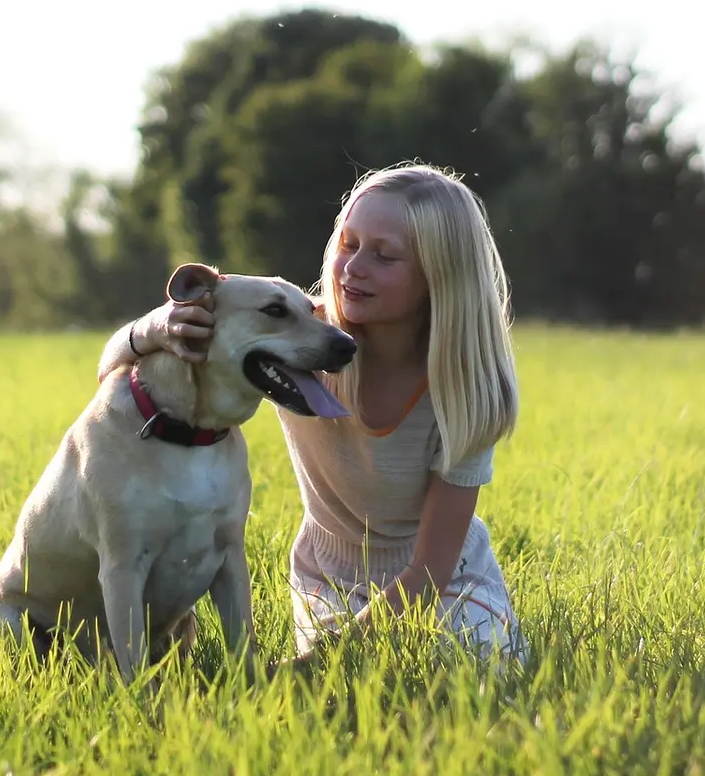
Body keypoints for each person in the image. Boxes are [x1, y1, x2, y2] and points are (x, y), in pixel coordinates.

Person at [96, 163, 525, 663]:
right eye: (348, 244)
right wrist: (155, 328)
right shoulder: (295, 336)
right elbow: (112, 369)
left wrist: (308, 665)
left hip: (446, 580)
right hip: (330, 578)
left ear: (437, 276)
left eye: (384, 256)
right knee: (353, 681)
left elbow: (430, 571)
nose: (353, 267)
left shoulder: (466, 387)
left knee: (465, 662)